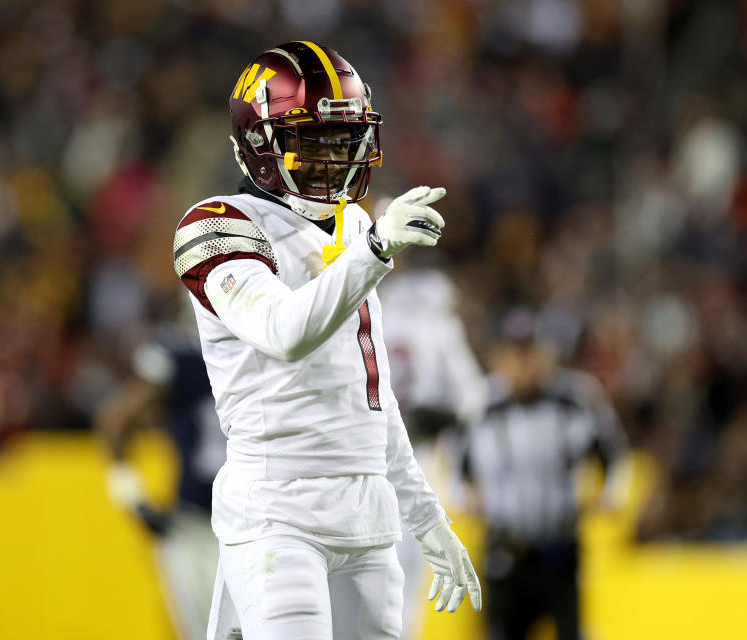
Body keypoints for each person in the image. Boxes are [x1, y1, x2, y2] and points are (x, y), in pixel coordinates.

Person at [172, 42, 481, 640]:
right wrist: (374, 252)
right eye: (313, 143)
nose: (335, 161)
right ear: (259, 142)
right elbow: (282, 332)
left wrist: (427, 516)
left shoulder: (356, 225)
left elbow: (374, 399)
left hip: (367, 513)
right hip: (277, 508)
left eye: (344, 142)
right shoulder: (215, 225)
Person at [463, 308, 630, 640]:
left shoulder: (576, 398)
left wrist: (609, 496)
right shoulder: (479, 404)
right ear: (498, 356)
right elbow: (455, 467)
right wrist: (466, 497)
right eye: (516, 351)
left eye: (531, 350)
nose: (524, 362)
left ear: (547, 352)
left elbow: (614, 455)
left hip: (560, 550)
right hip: (505, 552)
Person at [376, 266, 487, 638]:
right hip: (413, 459)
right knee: (405, 570)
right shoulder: (438, 327)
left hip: (362, 459)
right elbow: (474, 398)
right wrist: (447, 417)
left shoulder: (371, 311)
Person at [96, 326, 226, 640]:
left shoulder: (278, 336)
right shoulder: (185, 356)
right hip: (198, 528)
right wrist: (132, 497)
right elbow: (115, 422)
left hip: (264, 520)